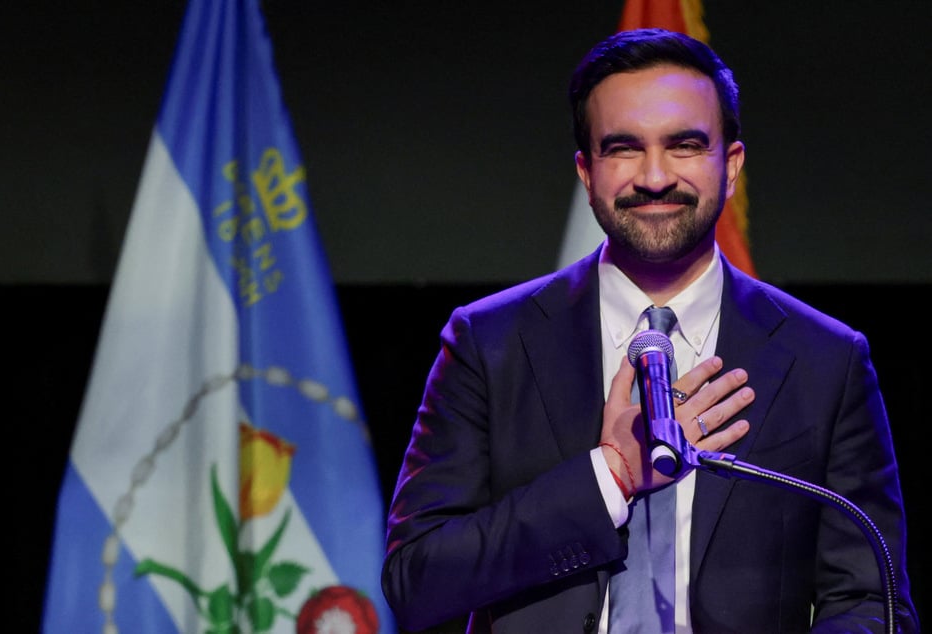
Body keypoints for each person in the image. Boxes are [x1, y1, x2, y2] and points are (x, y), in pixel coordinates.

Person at [381, 28, 918, 633]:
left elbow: (872, 604)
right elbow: (416, 581)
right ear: (587, 172)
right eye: (624, 148)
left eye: (685, 144)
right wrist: (610, 475)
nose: (656, 176)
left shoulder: (826, 359)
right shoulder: (490, 343)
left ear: (731, 164)